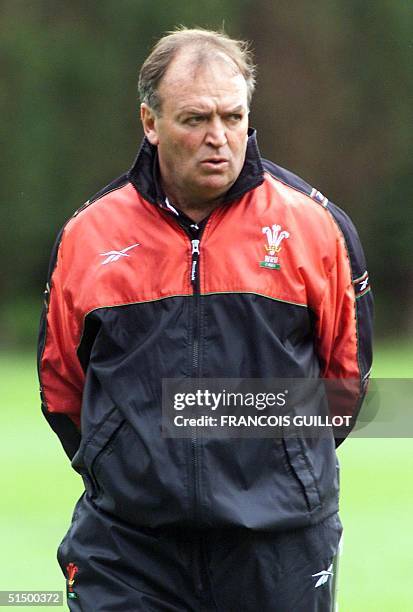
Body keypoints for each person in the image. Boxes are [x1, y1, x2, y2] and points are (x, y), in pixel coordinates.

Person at [38, 27, 373, 611]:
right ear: (150, 122)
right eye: (194, 120)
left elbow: (346, 385)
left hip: (280, 546)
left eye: (233, 116)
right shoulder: (88, 237)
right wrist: (123, 462)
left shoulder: (317, 229)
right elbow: (62, 390)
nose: (218, 138)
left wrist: (283, 464)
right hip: (128, 549)